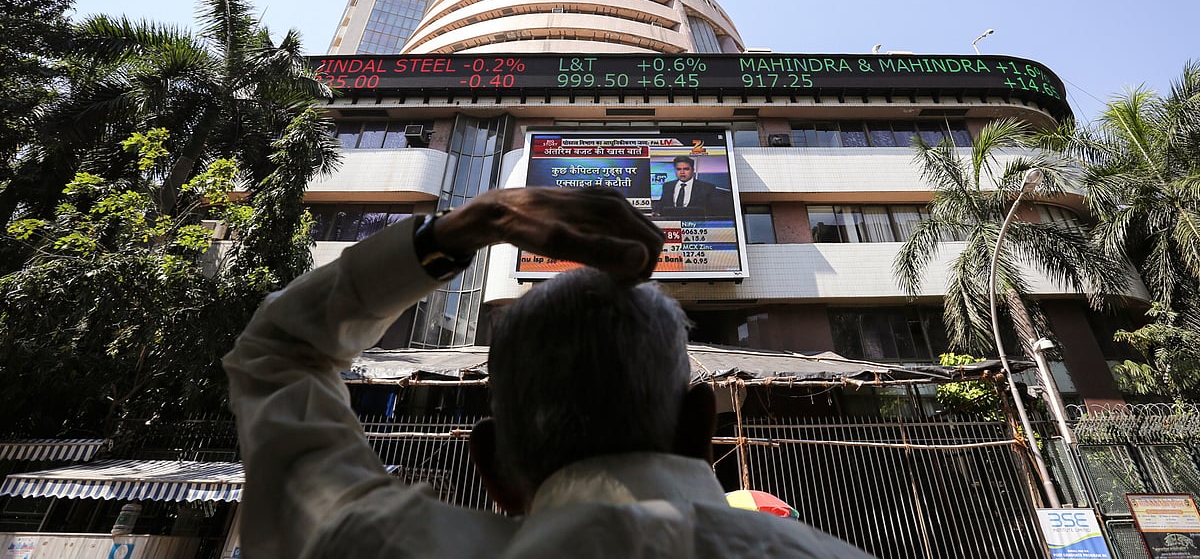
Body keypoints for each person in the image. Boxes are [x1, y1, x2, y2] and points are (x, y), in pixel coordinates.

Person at [223, 186, 874, 558]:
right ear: (701, 424)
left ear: (490, 465)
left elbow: (276, 354)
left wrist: (475, 222)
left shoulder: (382, 545)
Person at [652, 155, 732, 218]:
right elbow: (662, 207)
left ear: (692, 170)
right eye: (679, 169)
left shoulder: (707, 188)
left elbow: (713, 211)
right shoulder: (667, 186)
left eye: (686, 169)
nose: (682, 172)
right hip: (672, 226)